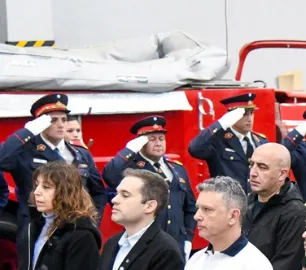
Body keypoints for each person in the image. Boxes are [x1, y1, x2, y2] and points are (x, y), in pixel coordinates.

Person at [0, 93, 106, 229]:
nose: (61, 125)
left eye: (64, 119)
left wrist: (92, 222)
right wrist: (27, 132)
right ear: (40, 124)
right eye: (53, 120)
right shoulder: (25, 152)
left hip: (75, 229)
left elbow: (98, 192)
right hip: (37, 228)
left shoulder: (81, 153)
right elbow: (2, 159)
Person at [102, 115, 197, 253]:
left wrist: (188, 238)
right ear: (141, 143)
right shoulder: (132, 169)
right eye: (152, 139)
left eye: (161, 138)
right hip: (146, 243)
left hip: (177, 242)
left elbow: (190, 206)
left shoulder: (177, 168)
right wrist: (129, 150)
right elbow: (109, 175)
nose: (158, 143)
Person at [187, 93, 269, 192]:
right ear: (231, 116)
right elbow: (194, 149)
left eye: (251, 113)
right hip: (227, 199)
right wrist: (220, 124)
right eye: (244, 114)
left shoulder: (261, 141)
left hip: (255, 198)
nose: (249, 118)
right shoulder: (218, 140)